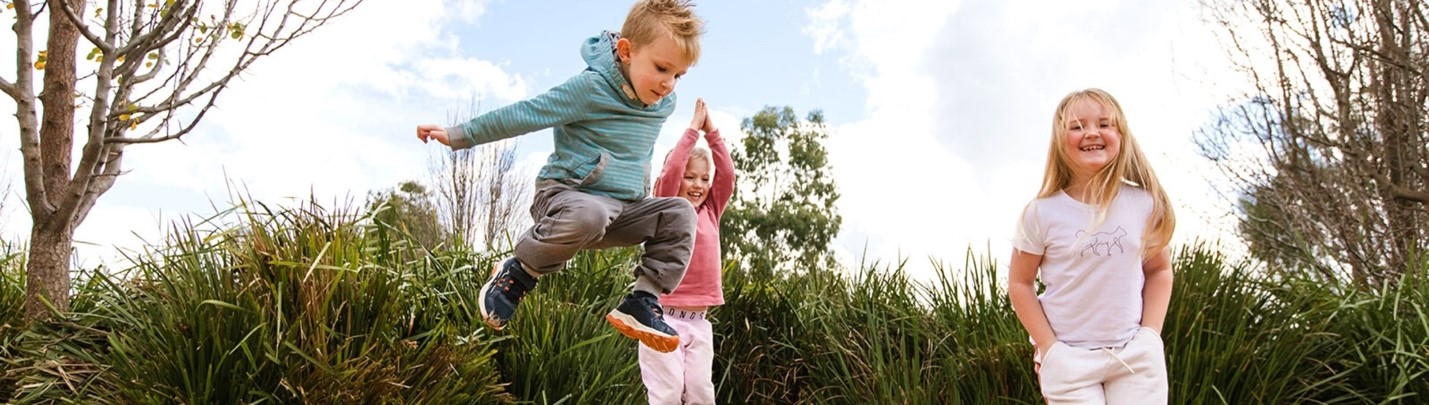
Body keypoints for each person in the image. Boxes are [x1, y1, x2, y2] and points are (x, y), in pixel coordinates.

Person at [414, 0, 707, 353]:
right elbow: (529, 112)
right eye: (661, 68)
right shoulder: (589, 89)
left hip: (621, 211)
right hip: (565, 199)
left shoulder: (663, 104)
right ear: (626, 51)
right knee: (590, 213)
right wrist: (460, 135)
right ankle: (518, 272)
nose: (668, 85)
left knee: (680, 214)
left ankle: (642, 302)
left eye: (678, 75)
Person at [1007, 88, 1177, 403]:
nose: (1091, 133)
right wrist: (1049, 347)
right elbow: (1020, 282)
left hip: (1134, 357)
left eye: (1104, 124)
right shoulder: (1041, 213)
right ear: (1061, 140)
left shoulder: (1145, 204)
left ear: (1121, 134)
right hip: (1069, 359)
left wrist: (1150, 336)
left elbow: (1159, 270)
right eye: (1077, 126)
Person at [639, 98, 733, 404]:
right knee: (666, 393)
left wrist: (712, 132)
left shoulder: (711, 212)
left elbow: (727, 176)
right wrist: (693, 129)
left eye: (704, 179)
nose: (698, 185)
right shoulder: (667, 209)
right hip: (661, 316)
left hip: (699, 322)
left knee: (700, 393)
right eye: (690, 177)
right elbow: (671, 170)